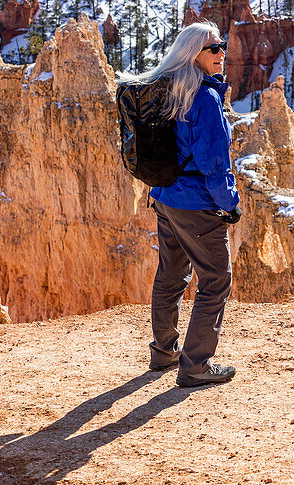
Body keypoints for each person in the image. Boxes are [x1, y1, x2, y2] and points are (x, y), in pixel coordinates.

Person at [118, 21, 240, 387]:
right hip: (196, 204)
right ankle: (195, 366)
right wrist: (229, 203)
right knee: (216, 279)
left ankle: (164, 352)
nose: (221, 55)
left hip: (165, 197)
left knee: (171, 275)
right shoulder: (203, 98)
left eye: (222, 47)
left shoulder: (168, 90)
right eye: (213, 49)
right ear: (193, 54)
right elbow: (214, 162)